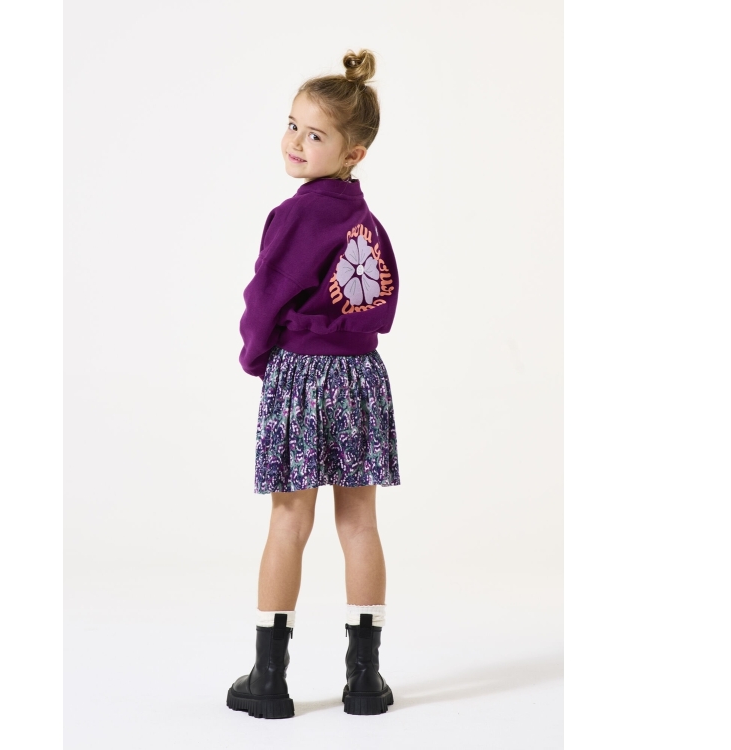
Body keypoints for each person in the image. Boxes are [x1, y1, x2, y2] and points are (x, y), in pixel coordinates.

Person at [225, 49, 401, 719]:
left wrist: (255, 356)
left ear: (353, 152)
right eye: (292, 125)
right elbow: (379, 300)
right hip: (360, 376)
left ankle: (269, 679)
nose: (296, 142)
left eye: (316, 134)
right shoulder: (366, 224)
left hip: (300, 374)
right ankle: (365, 680)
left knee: (288, 519)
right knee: (359, 521)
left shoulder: (297, 214)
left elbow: (265, 295)